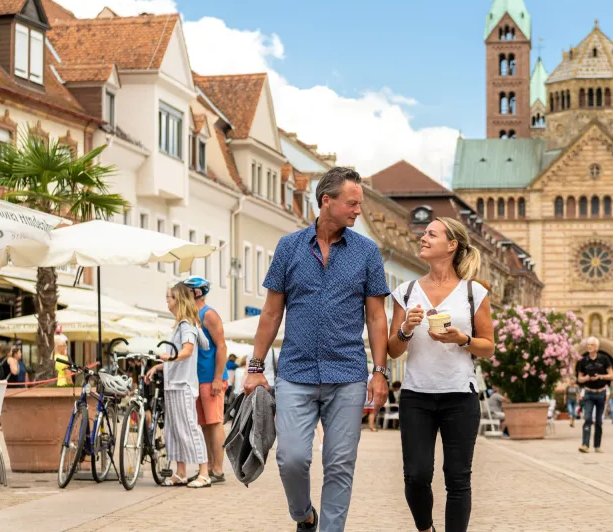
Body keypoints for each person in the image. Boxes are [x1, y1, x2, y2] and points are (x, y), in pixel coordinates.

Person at [243, 167, 390, 532]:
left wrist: (380, 371)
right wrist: (255, 366)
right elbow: (272, 311)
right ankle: (304, 516)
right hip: (296, 372)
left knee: (340, 464)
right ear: (327, 201)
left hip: (348, 375)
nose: (359, 211)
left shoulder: (367, 253)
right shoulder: (289, 247)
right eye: (352, 203)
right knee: (290, 458)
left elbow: (376, 318)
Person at [386, 217, 495, 532]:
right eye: (423, 234)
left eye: (431, 234)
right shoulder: (405, 292)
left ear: (451, 245)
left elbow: (488, 347)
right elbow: (393, 350)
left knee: (458, 478)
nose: (423, 238)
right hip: (416, 395)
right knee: (416, 475)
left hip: (460, 395)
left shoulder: (474, 292)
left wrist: (462, 339)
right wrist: (406, 328)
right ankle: (425, 529)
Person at [145, 282, 210, 488]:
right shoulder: (181, 325)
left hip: (182, 385)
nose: (167, 302)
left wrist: (170, 357)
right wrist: (159, 367)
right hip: (174, 384)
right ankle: (181, 473)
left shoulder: (186, 325)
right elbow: (179, 357)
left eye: (170, 298)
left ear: (179, 301)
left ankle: (204, 473)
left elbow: (187, 351)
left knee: (190, 428)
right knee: (174, 430)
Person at [181, 276, 228, 483]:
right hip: (198, 378)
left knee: (215, 423)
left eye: (186, 291)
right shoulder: (193, 316)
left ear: (196, 293)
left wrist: (218, 378)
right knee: (205, 425)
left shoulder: (208, 315)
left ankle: (217, 469)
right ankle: (208, 467)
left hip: (211, 378)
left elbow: (222, 346)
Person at [576, 337, 613, 453]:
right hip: (588, 393)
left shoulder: (604, 359)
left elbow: (611, 375)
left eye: (591, 345)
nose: (589, 347)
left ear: (596, 347)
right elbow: (579, 379)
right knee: (587, 418)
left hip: (601, 393)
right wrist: (586, 378)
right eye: (588, 345)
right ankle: (585, 445)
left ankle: (597, 445)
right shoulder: (583, 361)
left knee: (598, 421)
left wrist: (600, 376)